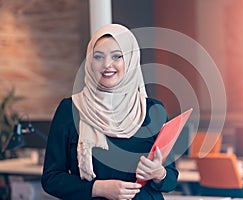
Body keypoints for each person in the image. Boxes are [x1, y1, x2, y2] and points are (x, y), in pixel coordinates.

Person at [41, 23, 178, 200]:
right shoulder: (70, 109)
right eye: (98, 57)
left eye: (117, 56)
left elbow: (171, 179)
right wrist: (97, 189)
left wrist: (159, 173)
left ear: (130, 61)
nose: (107, 64)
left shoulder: (153, 111)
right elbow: (51, 179)